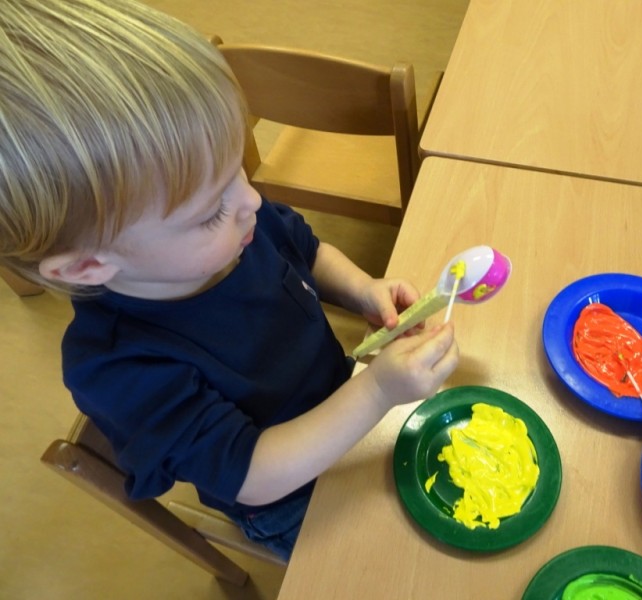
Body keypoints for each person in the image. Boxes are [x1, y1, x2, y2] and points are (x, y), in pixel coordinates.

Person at [0, 0, 459, 560]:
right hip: (290, 498)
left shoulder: (237, 224)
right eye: (209, 210)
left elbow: (308, 250)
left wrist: (363, 287)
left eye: (236, 168)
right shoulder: (119, 369)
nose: (251, 200)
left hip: (345, 400)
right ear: (86, 267)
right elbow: (253, 475)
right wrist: (379, 390)